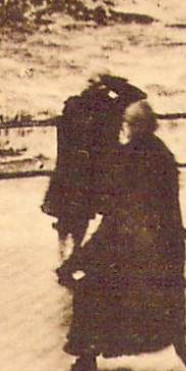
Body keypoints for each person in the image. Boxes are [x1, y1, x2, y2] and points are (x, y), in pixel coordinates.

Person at [58, 100, 186, 371]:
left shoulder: (128, 157)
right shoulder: (163, 154)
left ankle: (86, 357)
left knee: (92, 288)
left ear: (133, 127)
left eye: (127, 124)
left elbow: (116, 210)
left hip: (130, 245)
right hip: (162, 245)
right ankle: (182, 349)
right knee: (167, 297)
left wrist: (78, 259)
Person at [45, 75, 147, 249]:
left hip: (77, 167)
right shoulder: (111, 106)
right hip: (99, 168)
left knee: (77, 213)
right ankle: (79, 249)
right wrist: (114, 82)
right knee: (88, 212)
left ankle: (71, 247)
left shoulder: (75, 104)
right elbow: (138, 95)